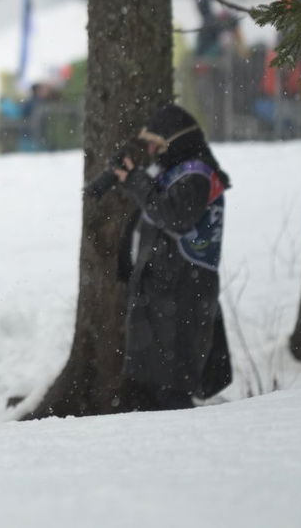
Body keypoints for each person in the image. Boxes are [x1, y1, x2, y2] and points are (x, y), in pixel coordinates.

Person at [85, 102, 232, 411]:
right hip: (164, 292)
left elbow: (173, 216)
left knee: (173, 386)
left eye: (156, 143)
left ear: (175, 141)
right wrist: (127, 179)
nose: (151, 150)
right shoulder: (172, 172)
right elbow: (154, 208)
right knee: (154, 383)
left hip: (183, 294)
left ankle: (180, 449)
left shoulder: (197, 175)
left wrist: (138, 181)